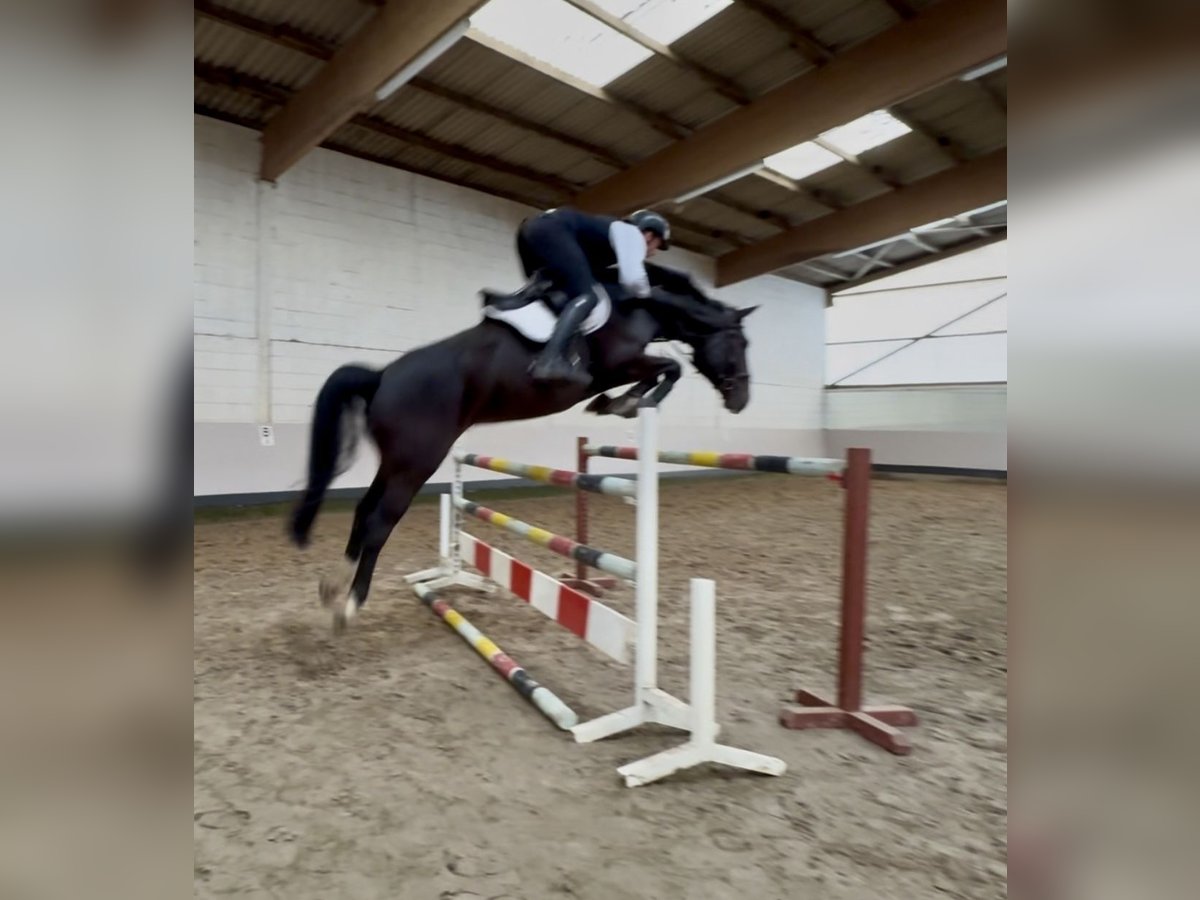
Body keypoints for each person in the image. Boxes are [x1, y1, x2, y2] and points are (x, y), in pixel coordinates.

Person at [491, 206, 672, 386]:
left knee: (555, 283)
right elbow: (633, 279)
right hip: (552, 231)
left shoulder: (609, 232)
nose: (654, 252)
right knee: (587, 296)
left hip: (530, 230)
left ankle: (514, 302)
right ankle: (550, 360)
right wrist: (650, 297)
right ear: (649, 235)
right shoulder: (632, 236)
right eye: (658, 245)